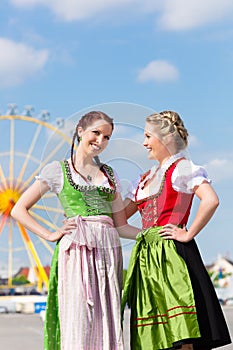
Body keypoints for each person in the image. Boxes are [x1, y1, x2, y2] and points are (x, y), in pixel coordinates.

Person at [11, 111, 139, 350]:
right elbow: (19, 209)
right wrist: (50, 235)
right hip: (77, 250)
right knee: (78, 316)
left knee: (107, 316)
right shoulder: (57, 170)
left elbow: (120, 225)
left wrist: (151, 233)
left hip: (108, 251)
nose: (101, 141)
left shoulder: (109, 174)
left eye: (107, 137)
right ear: (80, 131)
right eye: (96, 133)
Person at [122, 111, 231, 350]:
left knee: (181, 332)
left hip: (173, 257)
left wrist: (188, 232)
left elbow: (211, 200)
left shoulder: (182, 169)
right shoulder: (143, 180)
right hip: (147, 260)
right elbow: (117, 219)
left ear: (166, 139)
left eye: (148, 136)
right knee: (156, 334)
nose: (144, 143)